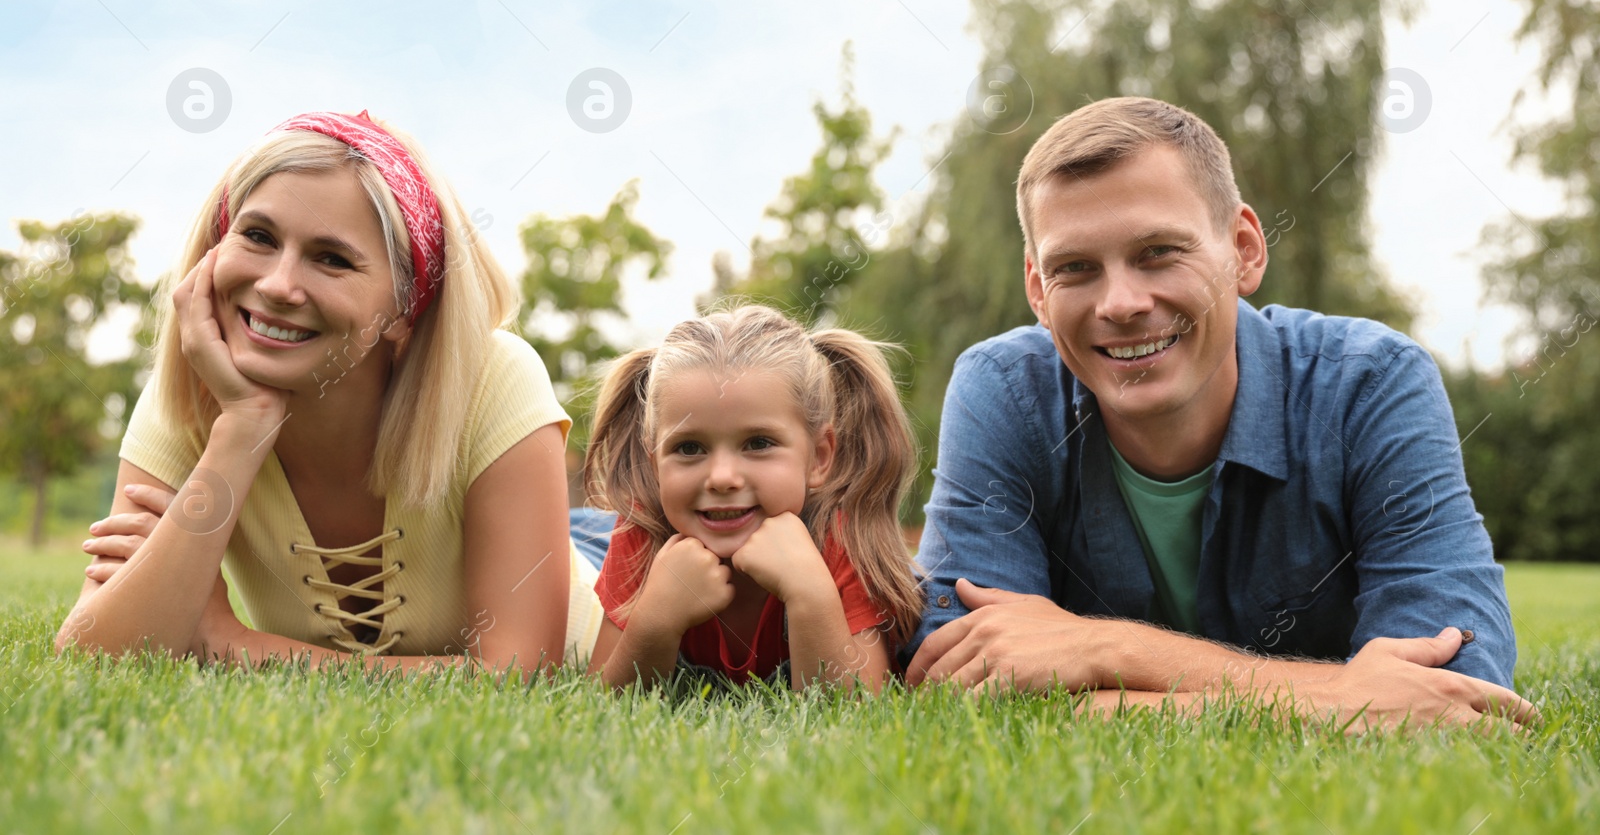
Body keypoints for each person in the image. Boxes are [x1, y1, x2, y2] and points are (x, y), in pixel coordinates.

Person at [903, 96, 1538, 731]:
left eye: (1158, 252)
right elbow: (958, 680)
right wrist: (1338, 702)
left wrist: (1105, 650)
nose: (1121, 303)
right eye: (1075, 268)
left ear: (1244, 250)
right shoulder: (1002, 391)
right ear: (1038, 290)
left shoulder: (1371, 381)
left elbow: (1457, 690)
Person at [56, 110, 605, 674]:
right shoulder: (189, 398)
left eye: (332, 258)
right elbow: (94, 659)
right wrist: (244, 425)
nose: (276, 285)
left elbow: (516, 673)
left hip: (601, 567)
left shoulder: (496, 377)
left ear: (404, 307)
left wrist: (232, 642)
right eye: (258, 236)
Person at [584, 305, 920, 690]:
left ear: (820, 456)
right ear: (654, 462)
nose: (722, 478)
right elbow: (603, 702)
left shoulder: (841, 534)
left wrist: (809, 594)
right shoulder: (643, 530)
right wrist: (655, 622)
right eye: (689, 448)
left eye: (758, 443)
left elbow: (858, 710)